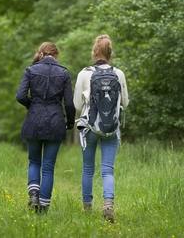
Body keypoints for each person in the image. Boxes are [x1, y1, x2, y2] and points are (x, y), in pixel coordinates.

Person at [73, 34, 129, 222]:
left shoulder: (83, 73)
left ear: (94, 53)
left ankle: (87, 208)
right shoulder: (118, 74)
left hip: (89, 127)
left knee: (88, 168)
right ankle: (108, 206)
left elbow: (78, 106)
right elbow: (125, 103)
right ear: (110, 53)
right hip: (111, 128)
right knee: (107, 170)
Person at [16, 42, 76, 214]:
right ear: (55, 55)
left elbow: (20, 96)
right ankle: (43, 209)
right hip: (56, 121)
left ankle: (33, 195)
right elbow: (69, 103)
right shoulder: (63, 72)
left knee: (34, 161)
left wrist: (31, 105)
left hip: (34, 119)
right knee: (48, 166)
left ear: (41, 53)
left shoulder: (30, 70)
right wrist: (70, 122)